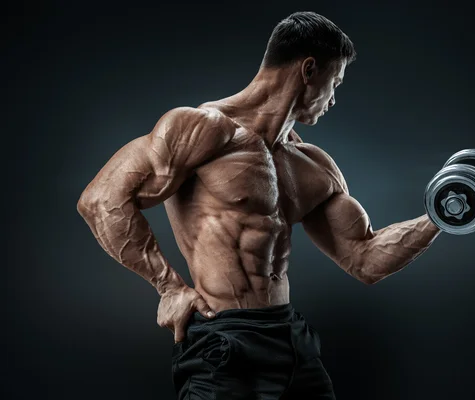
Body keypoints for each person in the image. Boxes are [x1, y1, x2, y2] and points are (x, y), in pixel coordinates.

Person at [77, 11, 441, 399]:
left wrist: (439, 217)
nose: (333, 98)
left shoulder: (314, 165)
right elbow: (101, 200)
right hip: (224, 341)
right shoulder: (201, 128)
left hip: (291, 342)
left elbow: (364, 259)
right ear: (308, 69)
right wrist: (169, 288)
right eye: (334, 82)